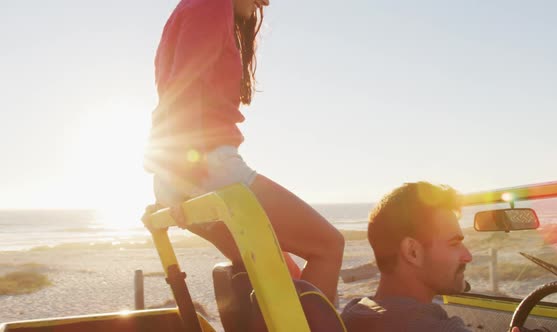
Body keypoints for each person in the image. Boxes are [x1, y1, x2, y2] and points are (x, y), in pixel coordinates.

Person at [143, 0, 344, 303]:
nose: (265, 2)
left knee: (281, 271)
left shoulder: (192, 7)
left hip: (186, 171)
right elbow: (183, 86)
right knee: (329, 246)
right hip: (206, 169)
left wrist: (168, 177)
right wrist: (181, 173)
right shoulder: (210, 6)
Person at [341, 182, 533, 332]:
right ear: (413, 252)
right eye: (454, 243)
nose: (467, 256)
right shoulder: (437, 328)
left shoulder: (353, 314)